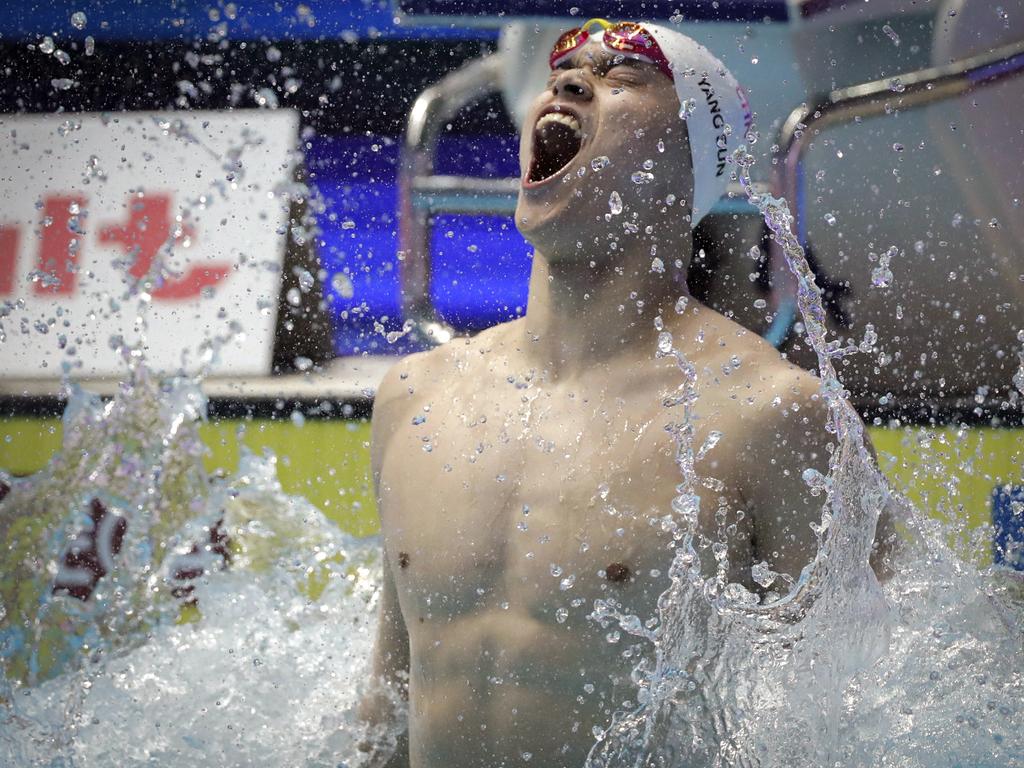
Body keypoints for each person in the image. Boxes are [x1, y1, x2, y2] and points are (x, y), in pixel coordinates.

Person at [360, 19, 894, 768]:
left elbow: (863, 719)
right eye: (565, 71)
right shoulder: (416, 395)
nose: (570, 83)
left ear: (692, 162)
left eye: (622, 79)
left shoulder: (773, 415)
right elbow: (386, 706)